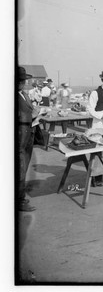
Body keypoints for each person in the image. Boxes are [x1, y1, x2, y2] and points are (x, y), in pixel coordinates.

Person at [17, 66, 39, 211]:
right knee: (20, 168)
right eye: (20, 80)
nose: (23, 83)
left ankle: (19, 197)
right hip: (19, 137)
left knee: (24, 165)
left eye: (23, 80)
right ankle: (20, 201)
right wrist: (31, 115)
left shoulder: (23, 94)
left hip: (28, 135)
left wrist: (36, 112)